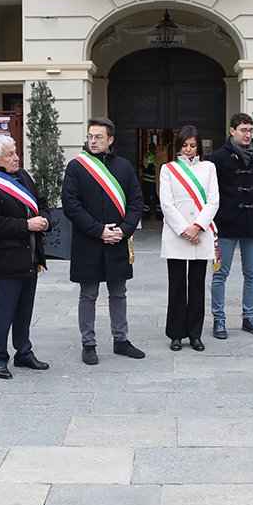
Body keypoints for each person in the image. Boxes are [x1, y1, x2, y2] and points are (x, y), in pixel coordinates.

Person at [62, 117, 145, 365]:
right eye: (90, 136)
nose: (93, 141)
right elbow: (71, 206)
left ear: (110, 139)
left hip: (118, 240)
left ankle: (121, 340)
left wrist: (124, 230)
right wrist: (100, 230)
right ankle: (88, 344)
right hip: (88, 242)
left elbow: (136, 202)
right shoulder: (76, 167)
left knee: (118, 292)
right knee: (88, 294)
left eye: (98, 137)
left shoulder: (124, 166)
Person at [0, 134, 52, 379]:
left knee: (24, 309)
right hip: (5, 259)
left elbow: (41, 201)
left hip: (30, 255)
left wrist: (46, 219)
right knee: (3, 311)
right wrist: (26, 225)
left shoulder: (23, 175)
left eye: (16, 152)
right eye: (10, 154)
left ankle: (24, 352)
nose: (17, 157)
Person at [159, 126, 219, 351]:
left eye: (193, 145)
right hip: (177, 235)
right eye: (184, 145)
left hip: (201, 234)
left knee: (196, 285)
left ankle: (195, 334)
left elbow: (213, 200)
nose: (188, 149)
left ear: (199, 146)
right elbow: (166, 202)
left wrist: (197, 227)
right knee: (176, 285)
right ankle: (176, 334)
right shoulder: (168, 169)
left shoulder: (209, 167)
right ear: (178, 146)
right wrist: (185, 229)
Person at [209, 113, 253, 338]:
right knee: (220, 273)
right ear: (232, 131)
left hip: (252, 221)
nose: (248, 134)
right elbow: (211, 191)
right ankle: (219, 319)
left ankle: (249, 317)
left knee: (251, 273)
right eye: (243, 130)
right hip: (226, 221)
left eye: (250, 130)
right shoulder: (218, 157)